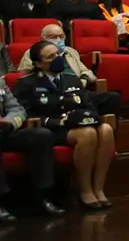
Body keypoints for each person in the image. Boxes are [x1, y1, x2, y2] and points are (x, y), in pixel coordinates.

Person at [16, 40, 115, 210]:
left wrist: (86, 117)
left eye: (58, 54)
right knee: (87, 133)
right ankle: (84, 191)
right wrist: (57, 122)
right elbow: (26, 115)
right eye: (51, 57)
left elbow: (88, 106)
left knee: (106, 130)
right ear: (38, 63)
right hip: (51, 129)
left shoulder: (71, 79)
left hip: (76, 123)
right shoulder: (27, 83)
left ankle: (98, 189)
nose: (57, 58)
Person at [17, 23, 121, 115]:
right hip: (51, 93)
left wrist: (84, 79)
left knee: (112, 97)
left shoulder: (71, 52)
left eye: (61, 36)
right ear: (43, 38)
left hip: (76, 89)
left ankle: (94, 121)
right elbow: (26, 76)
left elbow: (86, 71)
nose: (58, 39)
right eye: (53, 37)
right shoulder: (32, 53)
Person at [0, 79, 63, 221]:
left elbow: (17, 109)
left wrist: (9, 122)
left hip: (5, 130)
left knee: (41, 136)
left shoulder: (0, 83)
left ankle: (43, 197)